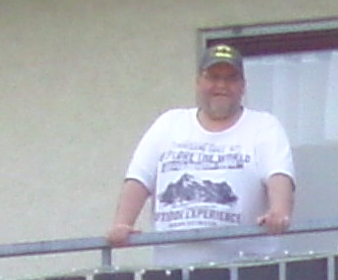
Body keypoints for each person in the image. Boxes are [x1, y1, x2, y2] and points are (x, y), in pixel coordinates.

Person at [109, 43, 296, 253]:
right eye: (213, 77)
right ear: (198, 82)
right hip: (174, 277)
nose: (221, 85)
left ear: (243, 86)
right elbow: (139, 178)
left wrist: (279, 212)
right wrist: (122, 224)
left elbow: (279, 175)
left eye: (230, 78)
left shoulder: (264, 126)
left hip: (243, 276)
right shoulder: (169, 123)